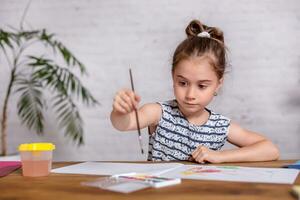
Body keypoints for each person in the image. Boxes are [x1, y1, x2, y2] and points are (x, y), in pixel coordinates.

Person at [110, 19, 279, 163]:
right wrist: (120, 111)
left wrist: (221, 156)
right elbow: (124, 124)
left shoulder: (220, 126)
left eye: (202, 86)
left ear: (218, 84)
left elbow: (270, 149)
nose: (190, 95)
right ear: (173, 77)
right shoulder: (159, 113)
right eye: (182, 83)